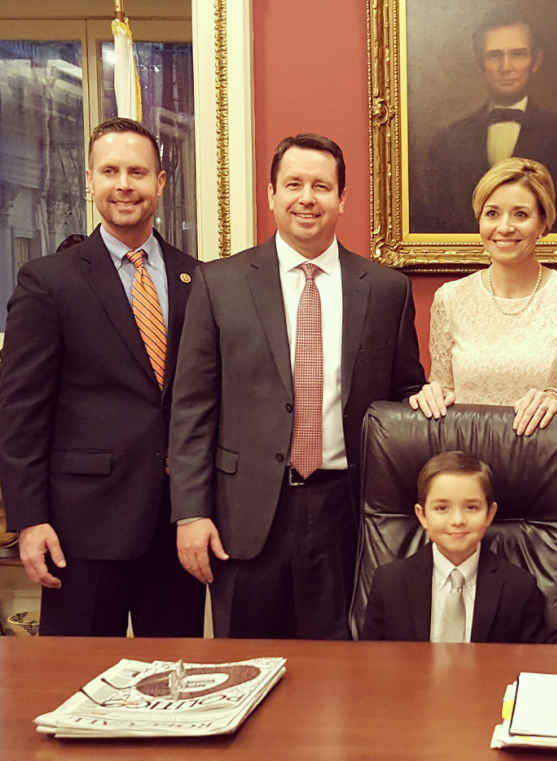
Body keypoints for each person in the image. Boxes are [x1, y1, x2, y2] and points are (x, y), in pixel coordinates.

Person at [169, 133, 426, 640]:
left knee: (340, 678)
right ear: (270, 194)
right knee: (244, 668)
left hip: (346, 513)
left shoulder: (385, 289)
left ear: (342, 198)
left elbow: (404, 393)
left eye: (321, 186)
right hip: (243, 516)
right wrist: (190, 513)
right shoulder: (219, 282)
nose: (307, 198)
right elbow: (192, 409)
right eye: (293, 184)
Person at [0, 118, 204, 636]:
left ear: (160, 182)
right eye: (110, 171)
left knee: (175, 681)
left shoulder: (198, 278)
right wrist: (29, 519)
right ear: (90, 181)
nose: (124, 185)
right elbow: (20, 412)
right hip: (82, 529)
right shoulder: (49, 282)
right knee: (78, 690)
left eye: (138, 171)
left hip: (177, 524)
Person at [410, 157, 557, 435]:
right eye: (492, 213)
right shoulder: (449, 298)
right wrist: (430, 396)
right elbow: (443, 390)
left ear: (543, 224)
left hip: (542, 462)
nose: (504, 227)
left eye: (520, 214)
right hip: (465, 465)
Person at [412, 14, 557, 235]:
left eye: (518, 54)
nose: (506, 67)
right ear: (479, 63)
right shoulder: (447, 140)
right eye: (494, 56)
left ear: (536, 60)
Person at [361, 451, 546, 643]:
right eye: (442, 508)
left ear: (490, 514)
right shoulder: (389, 584)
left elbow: (531, 665)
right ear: (422, 515)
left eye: (471, 507)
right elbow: (371, 662)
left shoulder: (519, 588)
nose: (457, 520)